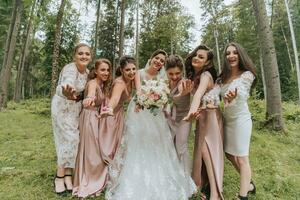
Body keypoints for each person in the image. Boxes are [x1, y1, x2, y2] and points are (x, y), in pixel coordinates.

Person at [105, 50, 196, 200]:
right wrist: (146, 98)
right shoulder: (139, 73)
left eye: (162, 60)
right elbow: (139, 91)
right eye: (157, 58)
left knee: (158, 142)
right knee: (138, 141)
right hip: (139, 111)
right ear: (151, 58)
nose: (159, 61)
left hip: (156, 113)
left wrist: (159, 99)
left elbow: (167, 97)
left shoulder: (163, 76)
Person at [183, 45, 224, 200]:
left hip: (211, 115)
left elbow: (199, 94)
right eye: (196, 55)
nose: (196, 58)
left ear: (207, 63)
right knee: (202, 151)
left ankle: (215, 193)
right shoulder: (195, 75)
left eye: (201, 57)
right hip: (203, 115)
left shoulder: (206, 75)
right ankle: (204, 185)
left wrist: (190, 113)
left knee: (207, 152)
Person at [51, 43, 91, 195]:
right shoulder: (70, 68)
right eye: (80, 53)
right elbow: (65, 84)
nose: (84, 56)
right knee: (68, 139)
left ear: (90, 57)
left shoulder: (87, 72)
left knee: (73, 141)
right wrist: (67, 90)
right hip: (62, 107)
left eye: (87, 54)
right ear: (75, 56)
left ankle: (68, 175)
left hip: (75, 109)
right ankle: (59, 176)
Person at [219, 42, 257, 200]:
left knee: (242, 157)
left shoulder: (247, 74)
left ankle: (243, 196)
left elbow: (241, 91)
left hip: (241, 120)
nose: (231, 56)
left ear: (240, 55)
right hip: (227, 120)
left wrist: (232, 96)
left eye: (234, 52)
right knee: (229, 155)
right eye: (228, 53)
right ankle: (248, 184)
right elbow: (215, 93)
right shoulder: (222, 77)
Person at [72, 59, 112, 198]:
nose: (106, 72)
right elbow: (89, 95)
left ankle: (94, 175)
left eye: (107, 70)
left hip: (96, 118)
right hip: (89, 117)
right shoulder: (93, 83)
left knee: (96, 148)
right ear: (96, 71)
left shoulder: (102, 84)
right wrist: (88, 99)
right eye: (102, 70)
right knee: (91, 150)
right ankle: (90, 178)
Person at [99, 56, 136, 164]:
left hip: (119, 113)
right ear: (121, 70)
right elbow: (115, 98)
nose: (131, 72)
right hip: (111, 113)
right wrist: (109, 108)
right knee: (109, 144)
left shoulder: (131, 80)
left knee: (118, 143)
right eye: (128, 70)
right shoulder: (120, 83)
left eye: (133, 69)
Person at [164, 55, 193, 175]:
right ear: (166, 72)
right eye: (171, 74)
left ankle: (185, 177)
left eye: (178, 73)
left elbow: (179, 93)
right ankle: (173, 173)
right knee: (170, 146)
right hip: (169, 118)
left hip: (184, 119)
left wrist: (181, 94)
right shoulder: (165, 83)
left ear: (182, 71)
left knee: (181, 146)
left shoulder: (184, 83)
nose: (175, 76)